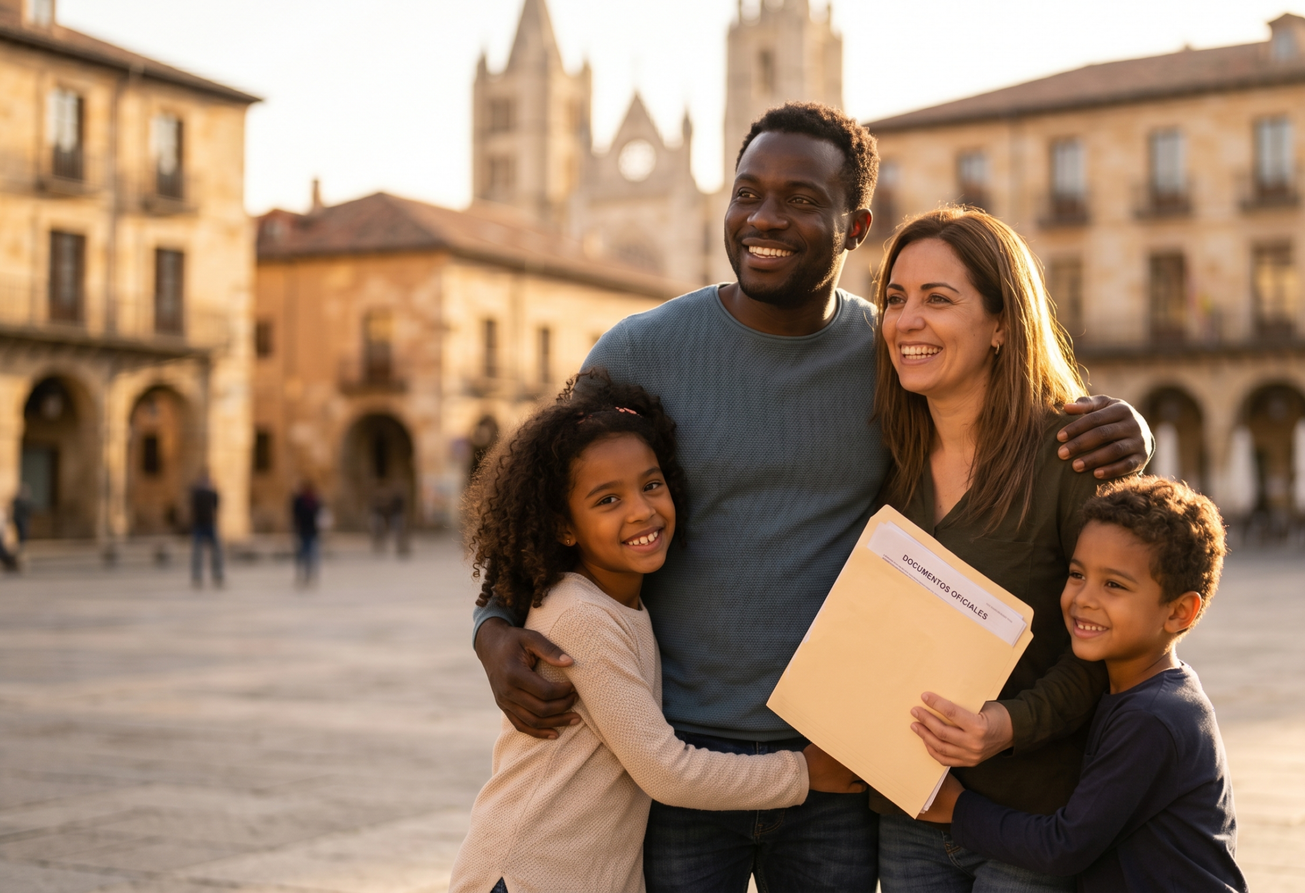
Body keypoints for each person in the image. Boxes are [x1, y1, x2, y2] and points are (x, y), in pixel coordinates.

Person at [471, 102, 1153, 893]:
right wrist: (490, 626)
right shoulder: (640, 348)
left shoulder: (892, 357)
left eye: (801, 199)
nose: (766, 217)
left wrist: (1128, 427)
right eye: (747, 191)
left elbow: (1009, 405)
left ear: (855, 226)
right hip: (684, 761)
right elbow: (539, 499)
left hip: (841, 768)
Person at [450, 370, 861, 893]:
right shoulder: (581, 617)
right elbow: (666, 771)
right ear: (563, 527)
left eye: (650, 485)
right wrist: (803, 773)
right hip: (528, 874)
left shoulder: (621, 603)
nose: (642, 510)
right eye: (607, 500)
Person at [867, 207, 1107, 892]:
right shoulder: (885, 459)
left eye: (938, 299)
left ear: (1002, 324)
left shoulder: (1072, 455)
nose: (906, 321)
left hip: (1029, 813)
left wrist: (1008, 723)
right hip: (909, 804)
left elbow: (1114, 644)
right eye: (894, 298)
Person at [918, 476, 1247, 892]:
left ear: (1180, 612)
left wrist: (956, 808)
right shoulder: (1142, 693)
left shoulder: (1153, 717)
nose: (1084, 598)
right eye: (1076, 574)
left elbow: (1064, 846)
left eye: (1113, 585)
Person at [190, 471, 223, 587]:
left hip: (206, 524)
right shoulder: (204, 493)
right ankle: (200, 576)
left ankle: (214, 575)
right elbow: (216, 504)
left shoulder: (199, 493)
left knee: (214, 551)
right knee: (199, 552)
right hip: (204, 525)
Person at [290, 481, 323, 588]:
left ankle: (309, 574)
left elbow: (319, 515)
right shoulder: (301, 500)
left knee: (310, 553)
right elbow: (295, 514)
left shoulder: (314, 500)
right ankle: (304, 574)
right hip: (303, 530)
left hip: (311, 530)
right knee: (303, 553)